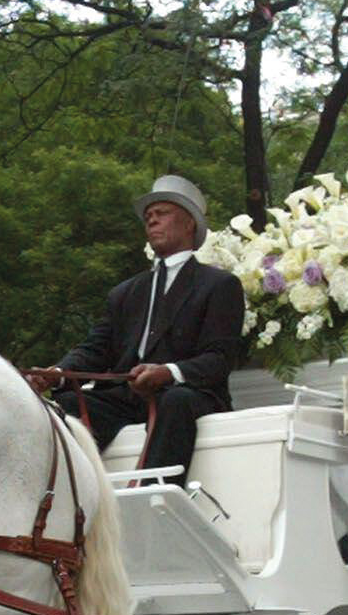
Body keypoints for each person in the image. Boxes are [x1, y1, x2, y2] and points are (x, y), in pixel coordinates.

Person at [27, 175, 244, 481]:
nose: (152, 221)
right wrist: (58, 373)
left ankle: (155, 493)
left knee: (175, 401)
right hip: (126, 396)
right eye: (148, 217)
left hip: (187, 394)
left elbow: (219, 359)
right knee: (68, 405)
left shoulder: (219, 284)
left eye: (162, 214)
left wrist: (167, 372)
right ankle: (67, 494)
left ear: (189, 224)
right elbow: (96, 349)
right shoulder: (125, 292)